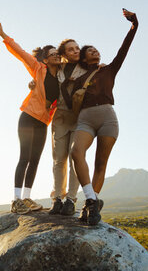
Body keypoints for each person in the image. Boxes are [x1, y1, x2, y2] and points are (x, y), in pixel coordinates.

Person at [69, 9, 138, 225]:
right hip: (86, 119)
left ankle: (91, 204)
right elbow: (64, 90)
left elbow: (124, 49)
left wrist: (134, 25)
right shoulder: (79, 78)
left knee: (101, 163)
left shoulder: (109, 69)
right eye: (90, 50)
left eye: (97, 50)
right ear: (83, 56)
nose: (96, 52)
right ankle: (91, 200)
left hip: (108, 117)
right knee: (76, 152)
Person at [0, 19, 62, 214]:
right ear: (45, 59)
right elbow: (20, 53)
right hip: (28, 117)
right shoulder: (38, 69)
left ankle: (27, 198)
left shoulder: (63, 78)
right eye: (52, 54)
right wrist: (4, 36)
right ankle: (16, 199)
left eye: (57, 54)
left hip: (43, 122)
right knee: (25, 157)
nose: (56, 56)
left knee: (36, 159)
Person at [47, 38, 90, 216]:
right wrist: (32, 84)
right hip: (60, 118)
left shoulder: (88, 68)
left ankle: (71, 200)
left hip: (80, 118)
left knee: (75, 159)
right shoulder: (58, 70)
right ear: (63, 54)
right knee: (58, 159)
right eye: (71, 49)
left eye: (77, 48)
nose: (76, 51)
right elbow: (43, 80)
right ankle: (57, 198)